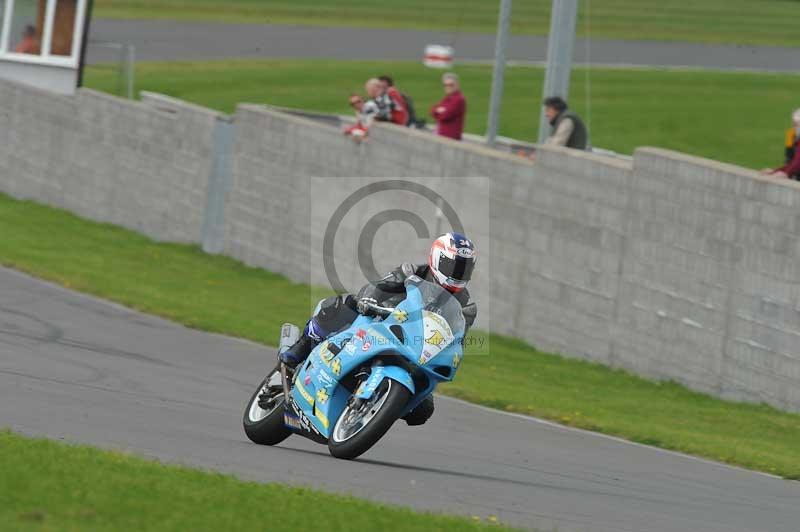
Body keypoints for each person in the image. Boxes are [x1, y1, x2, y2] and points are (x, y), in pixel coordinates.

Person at [279, 232, 478, 426]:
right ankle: (301, 346)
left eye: (464, 268)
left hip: (415, 349)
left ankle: (378, 405)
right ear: (437, 258)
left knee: (423, 411)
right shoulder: (411, 271)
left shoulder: (466, 306)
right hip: (380, 321)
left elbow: (455, 338)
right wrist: (369, 301)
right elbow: (377, 287)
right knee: (341, 305)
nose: (456, 273)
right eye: (453, 265)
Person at [762, 108, 800, 180]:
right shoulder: (790, 134)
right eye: (793, 124)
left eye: (796, 124)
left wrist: (787, 172)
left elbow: (798, 161)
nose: (793, 127)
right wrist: (776, 171)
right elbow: (790, 159)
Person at [431, 72, 466, 140]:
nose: (448, 87)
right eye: (445, 85)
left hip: (450, 138)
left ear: (457, 85)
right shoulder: (447, 98)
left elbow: (445, 116)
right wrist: (438, 111)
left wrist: (438, 111)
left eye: (451, 85)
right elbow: (432, 110)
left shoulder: (459, 99)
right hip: (442, 136)